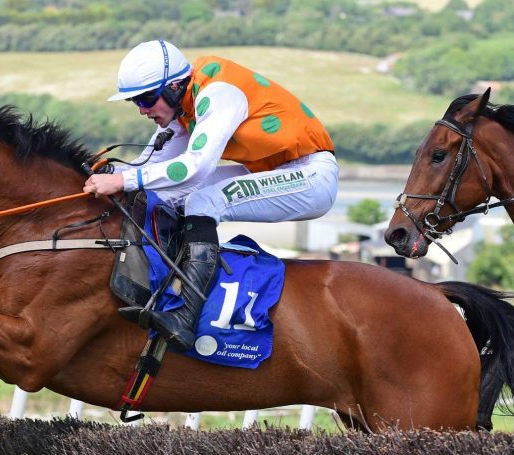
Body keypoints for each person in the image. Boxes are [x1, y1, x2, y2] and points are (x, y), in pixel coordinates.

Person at [84, 40, 339, 352]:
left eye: (146, 98)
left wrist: (122, 179)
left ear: (174, 86)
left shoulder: (218, 93)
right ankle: (164, 282)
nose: (142, 110)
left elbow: (195, 167)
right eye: (134, 101)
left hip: (311, 175)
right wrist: (105, 176)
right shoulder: (184, 108)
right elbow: (148, 168)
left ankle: (185, 315)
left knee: (204, 200)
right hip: (273, 171)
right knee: (170, 195)